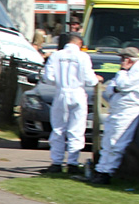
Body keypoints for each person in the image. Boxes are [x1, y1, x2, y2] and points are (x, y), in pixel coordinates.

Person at [40, 33, 98, 174]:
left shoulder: (56, 56)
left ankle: (57, 163)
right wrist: (97, 80)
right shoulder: (83, 57)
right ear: (78, 42)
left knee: (58, 129)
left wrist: (59, 82)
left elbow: (48, 77)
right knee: (76, 130)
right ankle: (72, 163)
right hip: (77, 92)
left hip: (61, 92)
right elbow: (90, 80)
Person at [90, 47, 139, 185]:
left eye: (122, 59)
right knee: (107, 141)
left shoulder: (136, 71)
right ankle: (100, 170)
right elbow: (110, 88)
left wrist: (121, 74)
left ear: (128, 59)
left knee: (116, 142)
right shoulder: (128, 72)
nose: (121, 61)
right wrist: (116, 88)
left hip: (128, 110)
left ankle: (107, 173)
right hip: (117, 109)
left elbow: (122, 84)